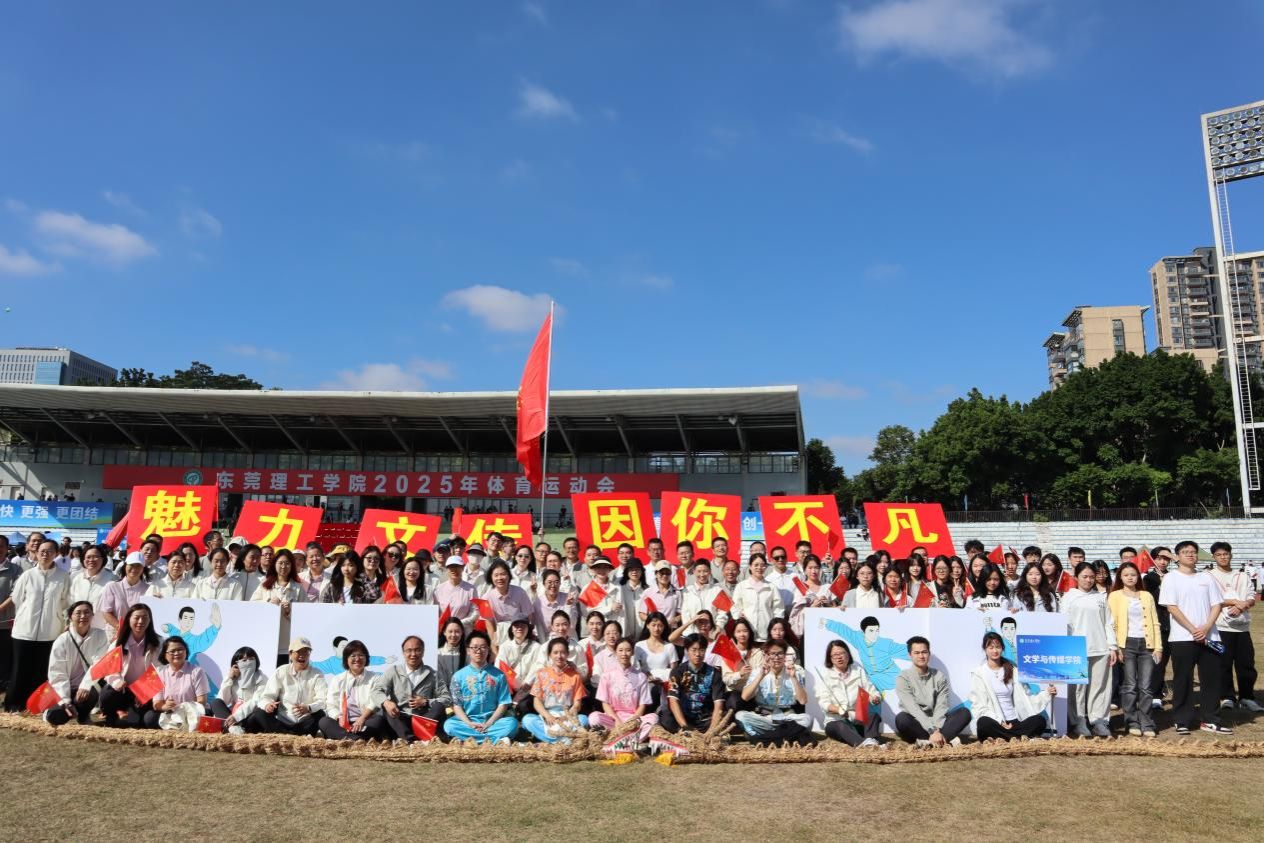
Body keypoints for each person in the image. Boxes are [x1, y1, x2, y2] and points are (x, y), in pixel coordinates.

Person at [1160, 541, 1230, 735]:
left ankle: (1210, 720)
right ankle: (1182, 720)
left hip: (1210, 636)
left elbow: (1217, 604)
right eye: (1186, 552)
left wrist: (1206, 627)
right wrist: (1193, 629)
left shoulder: (1206, 577)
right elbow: (1172, 607)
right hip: (1182, 637)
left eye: (1193, 552)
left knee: (1211, 679)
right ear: (1177, 556)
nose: (1190, 555)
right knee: (1183, 679)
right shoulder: (1171, 578)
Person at [2, 538, 71, 711]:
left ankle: (37, 704)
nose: (45, 554)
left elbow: (65, 601)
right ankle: (14, 703)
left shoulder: (63, 576)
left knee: (41, 669)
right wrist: (27, 613)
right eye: (42, 551)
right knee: (19, 668)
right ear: (36, 553)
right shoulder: (28, 575)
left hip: (50, 631)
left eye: (49, 551)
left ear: (56, 554)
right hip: (24, 630)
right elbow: (18, 598)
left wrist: (58, 618)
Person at [1062, 561, 1119, 737]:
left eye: (1091, 577)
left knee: (1100, 686)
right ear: (1076, 577)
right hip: (1076, 648)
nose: (1088, 580)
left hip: (1100, 648)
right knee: (1077, 688)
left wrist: (1112, 646)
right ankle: (1078, 720)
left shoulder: (1100, 597)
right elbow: (1064, 623)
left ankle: (1099, 721)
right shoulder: (1069, 597)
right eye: (1084, 577)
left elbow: (1108, 622)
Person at [1107, 561, 1160, 737]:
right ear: (1120, 578)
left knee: (1146, 686)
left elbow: (1155, 622)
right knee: (1129, 685)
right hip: (1126, 644)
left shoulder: (1146, 595)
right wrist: (1116, 647)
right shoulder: (1114, 596)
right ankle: (1131, 721)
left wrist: (1158, 646)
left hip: (1147, 644)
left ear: (1138, 576)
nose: (1130, 578)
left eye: (1133, 574)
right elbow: (1112, 623)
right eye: (1126, 575)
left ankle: (1147, 722)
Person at [970, 631, 1055, 741]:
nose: (995, 651)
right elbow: (979, 706)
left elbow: (1026, 698)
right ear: (985, 649)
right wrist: (1000, 721)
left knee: (1040, 721)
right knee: (983, 723)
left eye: (998, 647)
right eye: (991, 647)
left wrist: (1047, 693)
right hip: (996, 722)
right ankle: (1018, 738)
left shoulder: (1012, 669)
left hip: (1015, 722)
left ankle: (1006, 739)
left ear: (1002, 648)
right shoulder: (979, 673)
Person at [1208, 542, 1260, 711]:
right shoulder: (1209, 576)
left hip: (1242, 627)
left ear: (1231, 555)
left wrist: (1244, 604)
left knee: (1246, 664)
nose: (1223, 557)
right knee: (1223, 663)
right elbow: (1209, 598)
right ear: (1213, 557)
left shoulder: (1242, 575)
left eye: (1225, 554)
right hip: (1220, 627)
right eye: (1219, 554)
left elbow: (1251, 595)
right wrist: (1233, 602)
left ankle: (1246, 697)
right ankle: (1227, 697)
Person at [894, 636, 971, 747]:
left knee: (964, 713)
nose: (921, 656)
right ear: (910, 655)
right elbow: (913, 708)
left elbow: (941, 705)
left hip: (938, 723)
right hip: (917, 722)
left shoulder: (939, 676)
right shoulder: (903, 678)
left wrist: (936, 729)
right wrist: (931, 730)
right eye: (916, 653)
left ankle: (929, 742)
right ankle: (942, 740)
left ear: (929, 654)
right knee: (901, 719)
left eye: (924, 652)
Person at [444, 630, 519, 744]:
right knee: (449, 725)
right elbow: (457, 705)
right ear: (468, 650)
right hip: (468, 722)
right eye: (475, 647)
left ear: (488, 650)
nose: (479, 651)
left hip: (493, 722)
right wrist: (469, 723)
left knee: (512, 724)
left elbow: (503, 704)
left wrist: (489, 723)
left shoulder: (499, 675)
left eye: (483, 647)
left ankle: (468, 740)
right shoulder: (458, 676)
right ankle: (495, 741)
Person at [44, 601, 110, 726]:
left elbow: (99, 664)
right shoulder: (61, 641)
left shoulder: (100, 635)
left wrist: (85, 685)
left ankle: (83, 716)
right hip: (63, 688)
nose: (83, 616)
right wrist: (65, 700)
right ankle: (59, 708)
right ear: (70, 617)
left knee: (89, 694)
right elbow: (57, 673)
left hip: (85, 687)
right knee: (55, 716)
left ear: (92, 615)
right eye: (78, 613)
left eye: (87, 612)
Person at [736, 640, 813, 746]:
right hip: (765, 717)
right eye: (772, 654)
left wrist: (793, 678)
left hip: (787, 718)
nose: (776, 658)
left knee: (807, 719)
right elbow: (745, 696)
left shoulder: (794, 672)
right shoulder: (758, 672)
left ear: (785, 656)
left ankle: (764, 739)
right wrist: (761, 676)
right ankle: (786, 738)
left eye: (780, 653)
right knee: (740, 716)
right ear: (766, 655)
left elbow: (803, 701)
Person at [245, 636, 328, 736]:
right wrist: (268, 705)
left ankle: (286, 736)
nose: (302, 655)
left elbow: (323, 700)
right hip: (282, 723)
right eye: (298, 652)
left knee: (321, 714)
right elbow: (266, 696)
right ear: (290, 654)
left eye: (306, 652)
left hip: (306, 723)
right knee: (259, 713)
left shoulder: (317, 674)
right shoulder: (281, 671)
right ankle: (288, 736)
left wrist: (308, 708)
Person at [98, 603, 161, 728]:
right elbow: (110, 669)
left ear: (150, 620)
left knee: (137, 723)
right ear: (129, 619)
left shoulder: (158, 643)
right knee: (107, 693)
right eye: (136, 617)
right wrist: (118, 682)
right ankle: (111, 715)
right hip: (123, 689)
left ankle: (131, 715)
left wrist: (144, 691)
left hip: (145, 691)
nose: (140, 621)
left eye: (145, 617)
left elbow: (159, 670)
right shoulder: (118, 643)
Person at [375, 635, 449, 741]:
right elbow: (376, 691)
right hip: (401, 719)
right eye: (409, 651)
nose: (413, 654)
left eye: (417, 650)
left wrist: (426, 702)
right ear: (403, 653)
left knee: (439, 706)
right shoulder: (393, 671)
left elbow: (447, 698)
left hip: (424, 720)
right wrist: (386, 703)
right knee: (387, 708)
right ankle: (412, 741)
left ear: (423, 652)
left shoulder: (433, 674)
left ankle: (421, 735)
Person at [590, 636, 658, 745]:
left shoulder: (641, 676)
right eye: (620, 650)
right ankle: (628, 739)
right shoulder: (607, 675)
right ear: (615, 652)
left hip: (634, 719)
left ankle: (625, 741)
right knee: (594, 718)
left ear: (632, 652)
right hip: (613, 718)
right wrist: (617, 720)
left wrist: (632, 721)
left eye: (628, 650)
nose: (624, 654)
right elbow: (605, 703)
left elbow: (642, 704)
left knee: (653, 719)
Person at [815, 639, 883, 747]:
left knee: (874, 716)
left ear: (848, 655)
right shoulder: (824, 675)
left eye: (842, 653)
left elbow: (871, 690)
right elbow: (823, 702)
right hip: (836, 720)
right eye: (835, 655)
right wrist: (839, 710)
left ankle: (871, 741)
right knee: (840, 726)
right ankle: (864, 745)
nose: (839, 657)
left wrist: (875, 698)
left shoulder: (858, 671)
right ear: (830, 658)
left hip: (857, 718)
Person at [318, 639, 389, 740]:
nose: (357, 659)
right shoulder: (337, 679)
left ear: (366, 658)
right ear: (346, 659)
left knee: (378, 720)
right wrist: (339, 717)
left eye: (361, 655)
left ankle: (347, 738)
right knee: (324, 721)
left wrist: (362, 718)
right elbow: (331, 704)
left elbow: (375, 702)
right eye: (353, 656)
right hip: (342, 724)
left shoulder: (375, 678)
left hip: (365, 721)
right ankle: (356, 739)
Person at [523, 637, 589, 743]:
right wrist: (547, 716)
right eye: (555, 652)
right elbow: (537, 701)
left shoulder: (575, 675)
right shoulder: (542, 673)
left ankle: (553, 740)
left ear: (568, 654)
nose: (559, 656)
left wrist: (566, 716)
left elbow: (577, 704)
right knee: (527, 720)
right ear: (549, 654)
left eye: (562, 652)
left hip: (568, 716)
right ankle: (565, 740)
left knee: (583, 719)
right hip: (548, 715)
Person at [252, 548, 307, 664]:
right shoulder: (264, 585)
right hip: (267, 638)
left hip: (288, 643)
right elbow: (252, 607)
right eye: (280, 563)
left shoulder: (298, 588)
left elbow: (306, 616)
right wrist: (268, 603)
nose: (283, 566)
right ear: (274, 564)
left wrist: (289, 612)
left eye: (287, 563)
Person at [664, 634, 725, 735]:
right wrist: (685, 726)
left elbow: (718, 704)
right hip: (683, 717)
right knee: (666, 717)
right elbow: (673, 700)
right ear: (687, 650)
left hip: (704, 718)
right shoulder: (677, 671)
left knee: (724, 717)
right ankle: (684, 731)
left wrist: (711, 731)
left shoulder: (715, 673)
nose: (698, 654)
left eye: (701, 650)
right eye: (694, 650)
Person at [145, 635, 210, 731]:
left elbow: (201, 701)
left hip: (192, 714)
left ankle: (179, 726)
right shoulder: (159, 672)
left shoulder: (197, 671)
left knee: (204, 715)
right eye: (172, 651)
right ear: (165, 655)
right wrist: (165, 706)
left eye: (180, 650)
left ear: (186, 652)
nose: (177, 653)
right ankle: (175, 726)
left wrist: (185, 709)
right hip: (171, 713)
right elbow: (157, 704)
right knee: (150, 717)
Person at [209, 646, 266, 734]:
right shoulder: (234, 678)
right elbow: (223, 699)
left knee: (257, 713)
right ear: (236, 664)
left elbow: (255, 702)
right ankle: (233, 728)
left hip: (248, 716)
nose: (248, 663)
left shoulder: (261, 679)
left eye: (251, 659)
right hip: (233, 716)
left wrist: (237, 716)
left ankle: (230, 728)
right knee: (215, 702)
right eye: (244, 660)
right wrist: (229, 679)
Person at [1143, 546, 1173, 708]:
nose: (1162, 562)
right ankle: (1155, 694)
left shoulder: (1175, 576)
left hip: (1177, 624)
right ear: (1153, 559)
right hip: (1159, 623)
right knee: (1158, 661)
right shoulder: (1149, 578)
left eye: (1166, 559)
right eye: (1159, 558)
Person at [732, 553, 784, 641]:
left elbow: (778, 608)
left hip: (766, 632)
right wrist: (738, 617)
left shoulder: (771, 587)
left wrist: (775, 627)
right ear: (750, 566)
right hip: (746, 633)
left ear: (765, 567)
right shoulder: (741, 586)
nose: (759, 568)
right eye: (756, 565)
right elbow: (734, 606)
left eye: (762, 565)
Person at [98, 552, 151, 632]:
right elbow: (106, 612)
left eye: (138, 566)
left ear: (143, 568)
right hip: (116, 632)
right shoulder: (112, 586)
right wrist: (121, 629)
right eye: (131, 565)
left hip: (139, 633)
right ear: (125, 566)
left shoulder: (148, 589)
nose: (134, 569)